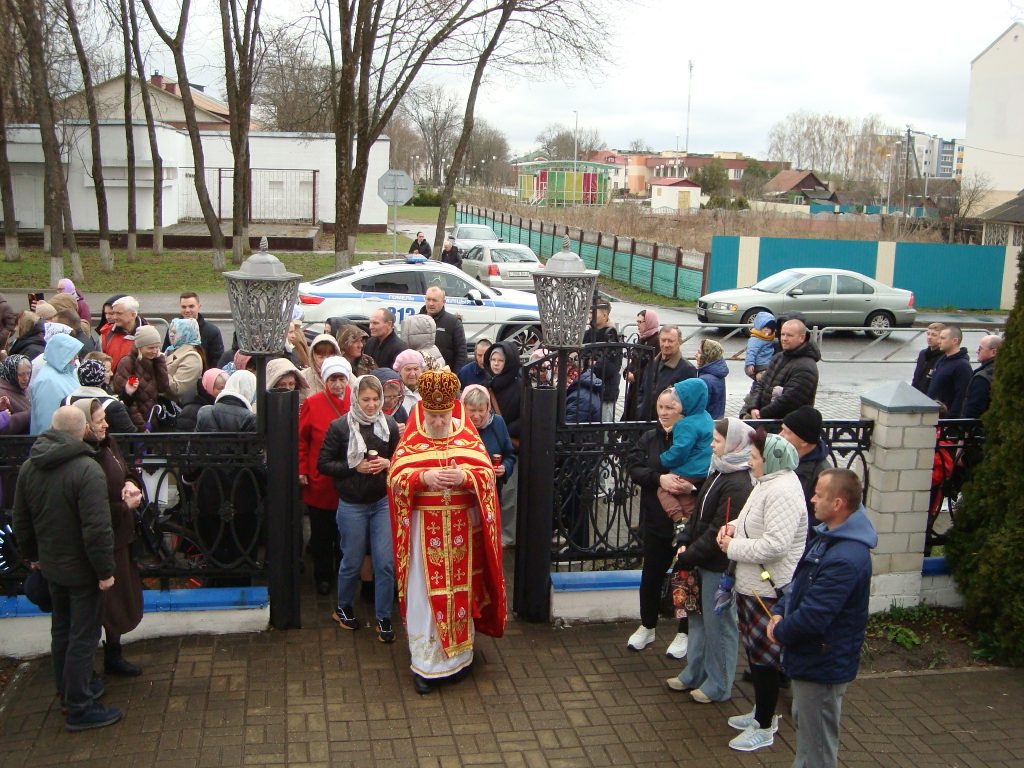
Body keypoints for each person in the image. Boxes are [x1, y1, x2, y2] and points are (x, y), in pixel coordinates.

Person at [387, 369, 506, 694]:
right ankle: (427, 667)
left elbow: (485, 474)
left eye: (443, 414)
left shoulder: (466, 435)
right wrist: (422, 478)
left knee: (462, 594)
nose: (438, 421)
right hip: (424, 533)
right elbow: (395, 479)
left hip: (461, 534)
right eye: (433, 414)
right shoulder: (412, 439)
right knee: (426, 598)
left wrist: (466, 477)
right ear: (423, 410)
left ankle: (459, 660)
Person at [12, 406, 122, 731]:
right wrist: (105, 571)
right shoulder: (86, 470)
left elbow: (21, 520)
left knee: (61, 630)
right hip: (83, 570)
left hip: (52, 566)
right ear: (83, 430)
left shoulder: (30, 467)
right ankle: (79, 705)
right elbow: (97, 529)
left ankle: (66, 690)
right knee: (83, 636)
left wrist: (33, 555)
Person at [769, 469, 877, 768]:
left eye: (819, 494)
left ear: (839, 503)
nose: (812, 499)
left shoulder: (845, 557)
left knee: (816, 750)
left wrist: (781, 630)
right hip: (812, 658)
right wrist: (779, 611)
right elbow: (799, 587)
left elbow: (815, 617)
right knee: (808, 737)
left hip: (822, 663)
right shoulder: (828, 536)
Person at [717, 430, 807, 753]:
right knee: (756, 655)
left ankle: (766, 725)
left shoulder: (782, 490)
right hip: (752, 585)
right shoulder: (767, 482)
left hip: (766, 589)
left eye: (754, 457)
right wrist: (732, 527)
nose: (750, 462)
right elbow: (752, 520)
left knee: (765, 658)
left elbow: (776, 545)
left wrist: (733, 546)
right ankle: (759, 714)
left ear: (770, 460)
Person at [666, 417, 755, 700]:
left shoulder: (738, 483)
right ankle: (695, 673)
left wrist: (690, 553)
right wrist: (684, 540)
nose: (712, 445)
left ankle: (719, 684)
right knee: (698, 620)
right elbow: (698, 517)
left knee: (719, 626)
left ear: (733, 444)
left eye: (717, 441)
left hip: (718, 565)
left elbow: (720, 527)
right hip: (701, 560)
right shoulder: (718, 470)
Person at [318, 375, 401, 640]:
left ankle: (384, 617)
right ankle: (342, 608)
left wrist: (387, 464)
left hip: (381, 502)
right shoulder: (339, 427)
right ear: (356, 398)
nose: (371, 404)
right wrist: (355, 466)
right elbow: (324, 464)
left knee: (385, 562)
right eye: (366, 399)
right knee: (351, 560)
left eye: (376, 399)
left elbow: (401, 457)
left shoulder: (388, 425)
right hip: (352, 504)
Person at [73, 399, 146, 678]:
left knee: (119, 600)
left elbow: (125, 470)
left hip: (121, 535)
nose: (105, 424)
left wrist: (130, 483)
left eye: (104, 418)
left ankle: (113, 654)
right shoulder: (83, 458)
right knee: (100, 606)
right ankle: (86, 670)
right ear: (83, 425)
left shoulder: (108, 443)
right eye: (98, 420)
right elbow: (88, 509)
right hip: (102, 540)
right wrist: (122, 507)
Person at [625, 387, 695, 653]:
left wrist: (690, 488)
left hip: (686, 523)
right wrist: (658, 479)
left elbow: (703, 471)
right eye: (661, 407)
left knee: (684, 578)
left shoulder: (691, 438)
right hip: (655, 519)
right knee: (651, 576)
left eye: (671, 408)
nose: (664, 413)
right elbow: (634, 467)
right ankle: (647, 626)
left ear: (682, 411)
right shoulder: (649, 438)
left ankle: (684, 632)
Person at [298, 356, 352, 594]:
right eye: (333, 379)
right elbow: (302, 441)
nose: (338, 384)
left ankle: (345, 574)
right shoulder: (313, 403)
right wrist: (301, 469)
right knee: (321, 533)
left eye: (341, 378)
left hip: (349, 480)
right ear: (325, 380)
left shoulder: (356, 400)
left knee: (345, 533)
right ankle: (323, 576)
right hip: (320, 479)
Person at [461, 384, 517, 545]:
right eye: (472, 410)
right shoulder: (456, 426)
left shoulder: (497, 423)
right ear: (463, 407)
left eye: (481, 410)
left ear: (488, 408)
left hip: (491, 492)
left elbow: (509, 454)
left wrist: (504, 467)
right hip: (464, 494)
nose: (477, 416)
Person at [656, 379, 713, 525]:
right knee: (685, 497)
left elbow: (680, 451)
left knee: (664, 490)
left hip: (689, 470)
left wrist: (663, 459)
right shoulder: (706, 416)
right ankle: (690, 522)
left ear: (688, 402)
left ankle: (679, 520)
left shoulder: (686, 424)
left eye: (677, 401)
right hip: (704, 470)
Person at [741, 319, 820, 420]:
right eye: (782, 334)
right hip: (765, 420)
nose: (784, 338)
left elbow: (789, 400)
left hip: (786, 426)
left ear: (802, 338)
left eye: (789, 335)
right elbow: (760, 384)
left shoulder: (806, 366)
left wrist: (761, 414)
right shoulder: (778, 357)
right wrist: (753, 407)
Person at [780, 405, 832, 535]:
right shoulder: (784, 458)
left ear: (803, 441)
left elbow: (818, 520)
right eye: (782, 430)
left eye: (787, 432)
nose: (779, 436)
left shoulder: (822, 475)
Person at [111, 325, 171, 432]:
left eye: (157, 347)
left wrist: (160, 361)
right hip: (135, 425)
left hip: (152, 419)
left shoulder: (155, 361)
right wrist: (141, 426)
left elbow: (163, 387)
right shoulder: (128, 363)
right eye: (151, 348)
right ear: (140, 347)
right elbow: (128, 400)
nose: (155, 351)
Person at [636, 325, 697, 422]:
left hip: (669, 428)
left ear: (679, 342)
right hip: (645, 425)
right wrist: (640, 409)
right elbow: (642, 390)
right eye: (663, 340)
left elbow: (689, 404)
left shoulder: (687, 369)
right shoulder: (651, 364)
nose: (666, 344)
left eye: (670, 341)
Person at [30, 333, 84, 435]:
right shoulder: (47, 381)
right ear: (62, 354)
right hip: (57, 444)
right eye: (72, 353)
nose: (76, 357)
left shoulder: (67, 372)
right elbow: (46, 421)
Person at [63, 359, 137, 434]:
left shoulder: (67, 401)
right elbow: (131, 435)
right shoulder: (112, 405)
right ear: (102, 378)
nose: (111, 374)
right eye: (107, 371)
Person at [162, 292, 224, 371]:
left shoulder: (212, 331)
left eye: (191, 306)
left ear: (199, 306)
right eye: (184, 307)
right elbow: (165, 353)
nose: (187, 310)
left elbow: (217, 361)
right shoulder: (173, 329)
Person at [582, 301, 621, 422]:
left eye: (593, 312)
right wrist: (588, 362)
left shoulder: (611, 335)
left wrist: (592, 364)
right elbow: (582, 357)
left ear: (605, 315)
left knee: (604, 430)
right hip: (587, 390)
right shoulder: (588, 334)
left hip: (605, 393)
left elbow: (611, 367)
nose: (589, 316)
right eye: (588, 312)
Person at [622, 309, 660, 421]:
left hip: (645, 388)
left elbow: (653, 366)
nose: (638, 325)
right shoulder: (642, 339)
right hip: (634, 387)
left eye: (640, 322)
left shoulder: (656, 341)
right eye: (637, 322)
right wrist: (627, 371)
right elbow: (634, 361)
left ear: (649, 322)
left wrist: (635, 376)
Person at [926, 324, 972, 417]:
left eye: (942, 338)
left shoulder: (962, 366)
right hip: (932, 415)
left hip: (946, 420)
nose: (939, 341)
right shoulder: (942, 359)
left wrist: (951, 420)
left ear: (955, 341)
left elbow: (961, 397)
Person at [421, 286, 467, 371]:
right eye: (428, 299)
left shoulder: (454, 323)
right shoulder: (416, 320)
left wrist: (454, 377)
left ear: (443, 302)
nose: (431, 303)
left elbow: (461, 354)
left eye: (434, 300)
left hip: (444, 377)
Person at [164, 318, 205, 405]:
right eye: (170, 331)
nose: (171, 335)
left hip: (178, 407)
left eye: (175, 332)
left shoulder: (192, 357)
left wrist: (160, 367)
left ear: (186, 334)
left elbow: (178, 390)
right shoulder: (170, 350)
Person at [101, 296, 147, 372]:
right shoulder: (106, 333)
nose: (115, 317)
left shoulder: (148, 334)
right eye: (114, 313)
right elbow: (99, 361)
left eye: (119, 313)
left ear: (133, 315)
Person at [961, 334, 1002, 418]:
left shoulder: (982, 378)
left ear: (993, 352)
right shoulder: (1005, 371)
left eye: (980, 349)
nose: (977, 351)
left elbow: (974, 409)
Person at [178, 367, 227, 432]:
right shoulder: (191, 410)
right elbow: (184, 437)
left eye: (227, 387)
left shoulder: (224, 406)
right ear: (209, 387)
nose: (224, 391)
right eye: (220, 388)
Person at [301, 333, 343, 400]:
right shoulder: (303, 377)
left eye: (329, 356)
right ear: (313, 356)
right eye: (321, 357)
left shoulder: (346, 375)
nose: (325, 360)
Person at [696, 338, 728, 419]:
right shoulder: (717, 373)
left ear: (707, 356)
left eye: (699, 352)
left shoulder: (704, 380)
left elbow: (699, 409)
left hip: (706, 424)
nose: (695, 355)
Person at [0, 354, 32, 435]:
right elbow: (4, 428)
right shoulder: (3, 394)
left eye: (28, 373)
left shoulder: (26, 389)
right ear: (11, 373)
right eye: (21, 374)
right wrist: (30, 414)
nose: (26, 378)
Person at [911, 322, 946, 394]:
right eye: (928, 334)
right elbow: (916, 377)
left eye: (934, 335)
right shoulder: (923, 353)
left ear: (941, 338)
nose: (929, 337)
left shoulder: (944, 357)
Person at [744, 311, 777, 380]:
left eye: (770, 328)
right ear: (759, 326)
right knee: (762, 379)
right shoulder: (755, 339)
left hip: (768, 362)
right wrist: (750, 364)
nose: (767, 330)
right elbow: (751, 352)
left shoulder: (769, 338)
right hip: (760, 364)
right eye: (765, 328)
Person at [393, 349, 426, 416]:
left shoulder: (429, 390)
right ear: (399, 372)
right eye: (408, 369)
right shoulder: (395, 393)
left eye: (416, 369)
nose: (412, 374)